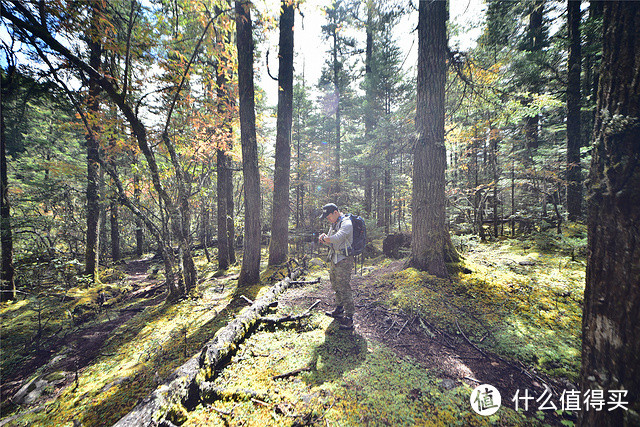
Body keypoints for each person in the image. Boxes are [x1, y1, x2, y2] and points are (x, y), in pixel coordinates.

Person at [318, 203, 355, 330]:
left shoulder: (346, 223)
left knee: (344, 286)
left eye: (328, 216)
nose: (328, 219)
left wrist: (327, 239)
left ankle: (349, 317)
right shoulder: (334, 224)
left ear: (335, 212)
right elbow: (331, 242)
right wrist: (324, 239)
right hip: (335, 258)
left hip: (344, 259)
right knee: (335, 284)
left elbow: (338, 238)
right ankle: (339, 309)